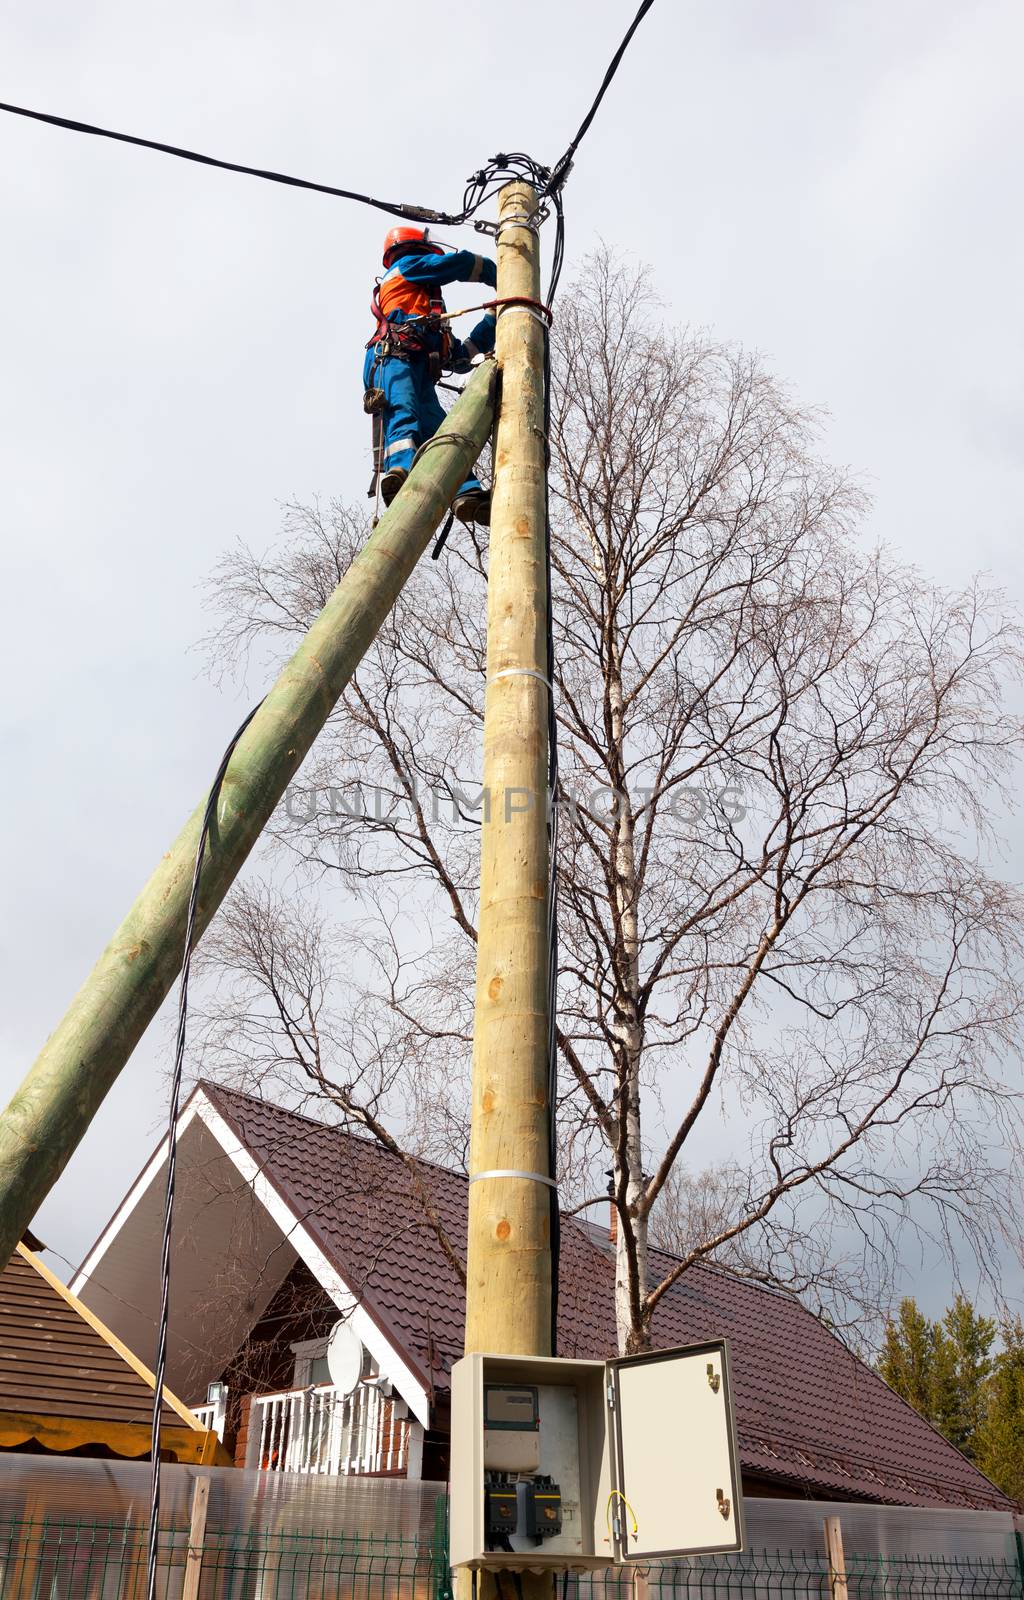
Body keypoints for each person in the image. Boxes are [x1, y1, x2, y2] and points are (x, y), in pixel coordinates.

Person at [364, 226, 497, 525]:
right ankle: (398, 470)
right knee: (404, 411)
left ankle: (465, 492)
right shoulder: (406, 267)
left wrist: (494, 318)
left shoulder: (429, 314)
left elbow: (462, 356)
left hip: (418, 366)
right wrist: (495, 272)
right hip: (392, 358)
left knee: (443, 433)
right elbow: (453, 265)